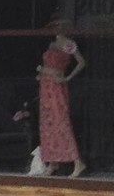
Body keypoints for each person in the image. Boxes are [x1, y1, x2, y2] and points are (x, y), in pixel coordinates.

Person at [36, 21, 87, 178]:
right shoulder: (52, 43)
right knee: (48, 122)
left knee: (60, 121)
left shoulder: (68, 44)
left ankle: (77, 161)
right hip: (46, 84)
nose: (56, 29)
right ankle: (52, 162)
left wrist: (68, 77)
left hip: (57, 85)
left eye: (59, 26)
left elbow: (81, 62)